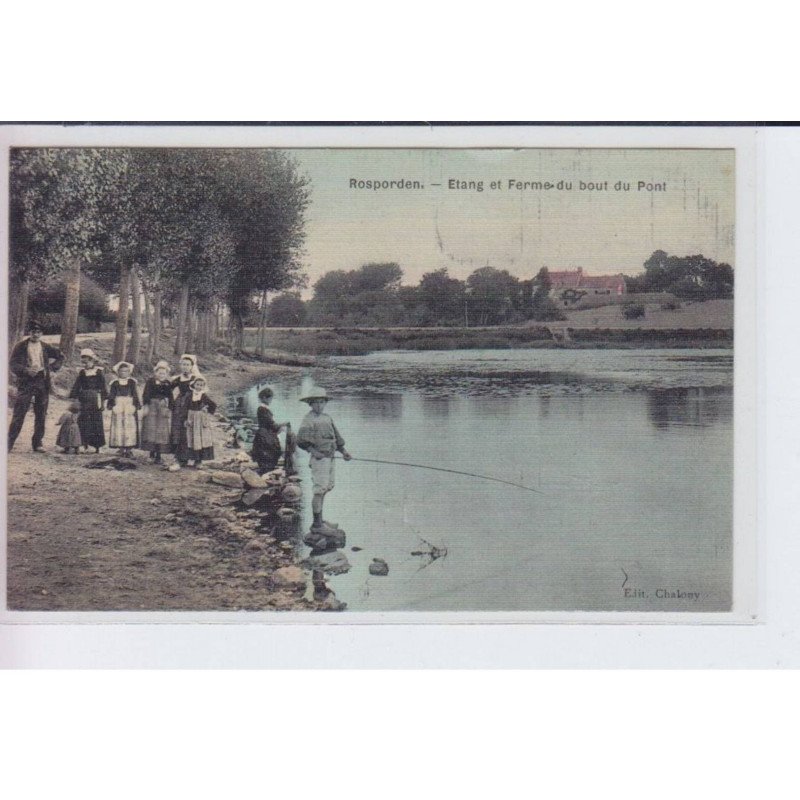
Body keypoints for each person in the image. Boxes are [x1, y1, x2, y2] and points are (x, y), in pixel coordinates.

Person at [296, 387, 352, 533]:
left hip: (331, 457)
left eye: (322, 402)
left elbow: (336, 437)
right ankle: (316, 525)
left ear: (325, 403)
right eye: (316, 403)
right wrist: (313, 451)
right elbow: (301, 440)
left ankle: (320, 519)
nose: (319, 405)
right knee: (319, 490)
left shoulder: (327, 417)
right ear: (310, 404)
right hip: (319, 459)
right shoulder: (308, 420)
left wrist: (344, 451)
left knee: (326, 488)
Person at [8, 321, 64, 453]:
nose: (36, 334)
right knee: (19, 413)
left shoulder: (45, 346)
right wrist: (26, 370)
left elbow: (61, 356)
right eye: (33, 332)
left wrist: (51, 368)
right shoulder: (20, 346)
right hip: (26, 382)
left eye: (38, 332)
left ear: (42, 333)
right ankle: (8, 443)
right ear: (29, 333)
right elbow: (13, 364)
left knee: (41, 413)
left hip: (42, 382)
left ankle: (37, 443)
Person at [68, 348, 108, 453]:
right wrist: (75, 398)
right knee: (84, 420)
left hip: (96, 398)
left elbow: (103, 387)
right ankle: (83, 444)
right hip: (84, 398)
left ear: (92, 360)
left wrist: (103, 402)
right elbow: (77, 386)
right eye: (84, 362)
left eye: (88, 361)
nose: (86, 364)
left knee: (96, 420)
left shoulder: (99, 372)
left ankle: (97, 446)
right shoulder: (82, 372)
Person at [140, 360, 174, 464]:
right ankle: (151, 453)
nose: (161, 375)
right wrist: (146, 404)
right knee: (151, 428)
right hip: (152, 406)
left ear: (166, 374)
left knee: (161, 429)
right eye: (159, 372)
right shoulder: (150, 381)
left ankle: (159, 454)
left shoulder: (168, 383)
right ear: (156, 373)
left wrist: (170, 407)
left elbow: (170, 396)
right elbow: (146, 393)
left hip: (162, 407)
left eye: (164, 373)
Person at [169, 354, 199, 470]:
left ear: (192, 366)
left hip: (192, 404)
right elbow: (168, 389)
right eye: (183, 364)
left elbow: (202, 391)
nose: (185, 367)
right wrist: (170, 401)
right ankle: (180, 457)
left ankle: (194, 457)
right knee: (179, 429)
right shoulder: (178, 378)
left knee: (191, 429)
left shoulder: (195, 378)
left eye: (187, 365)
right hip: (179, 405)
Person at [251, 387, 288, 475]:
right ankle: (266, 472)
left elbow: (270, 424)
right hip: (265, 434)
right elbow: (270, 424)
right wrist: (283, 424)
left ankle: (265, 472)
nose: (271, 400)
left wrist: (279, 427)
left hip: (264, 433)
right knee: (270, 452)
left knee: (267, 453)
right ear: (264, 398)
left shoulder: (263, 409)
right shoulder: (263, 409)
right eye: (270, 398)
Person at [107, 362, 141, 457]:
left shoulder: (132, 382)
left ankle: (129, 448)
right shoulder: (115, 383)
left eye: (126, 371)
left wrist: (136, 405)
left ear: (129, 372)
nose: (124, 373)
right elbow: (112, 395)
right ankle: (121, 448)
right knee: (118, 426)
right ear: (118, 372)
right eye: (121, 371)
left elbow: (135, 394)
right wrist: (111, 405)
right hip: (118, 405)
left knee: (129, 426)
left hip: (129, 405)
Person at [184, 375, 217, 467]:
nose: (199, 387)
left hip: (201, 419)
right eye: (197, 384)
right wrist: (185, 419)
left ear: (203, 386)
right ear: (194, 385)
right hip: (191, 417)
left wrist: (207, 409)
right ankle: (192, 458)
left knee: (201, 439)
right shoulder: (189, 395)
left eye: (201, 385)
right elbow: (185, 407)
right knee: (191, 439)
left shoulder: (204, 396)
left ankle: (199, 461)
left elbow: (213, 404)